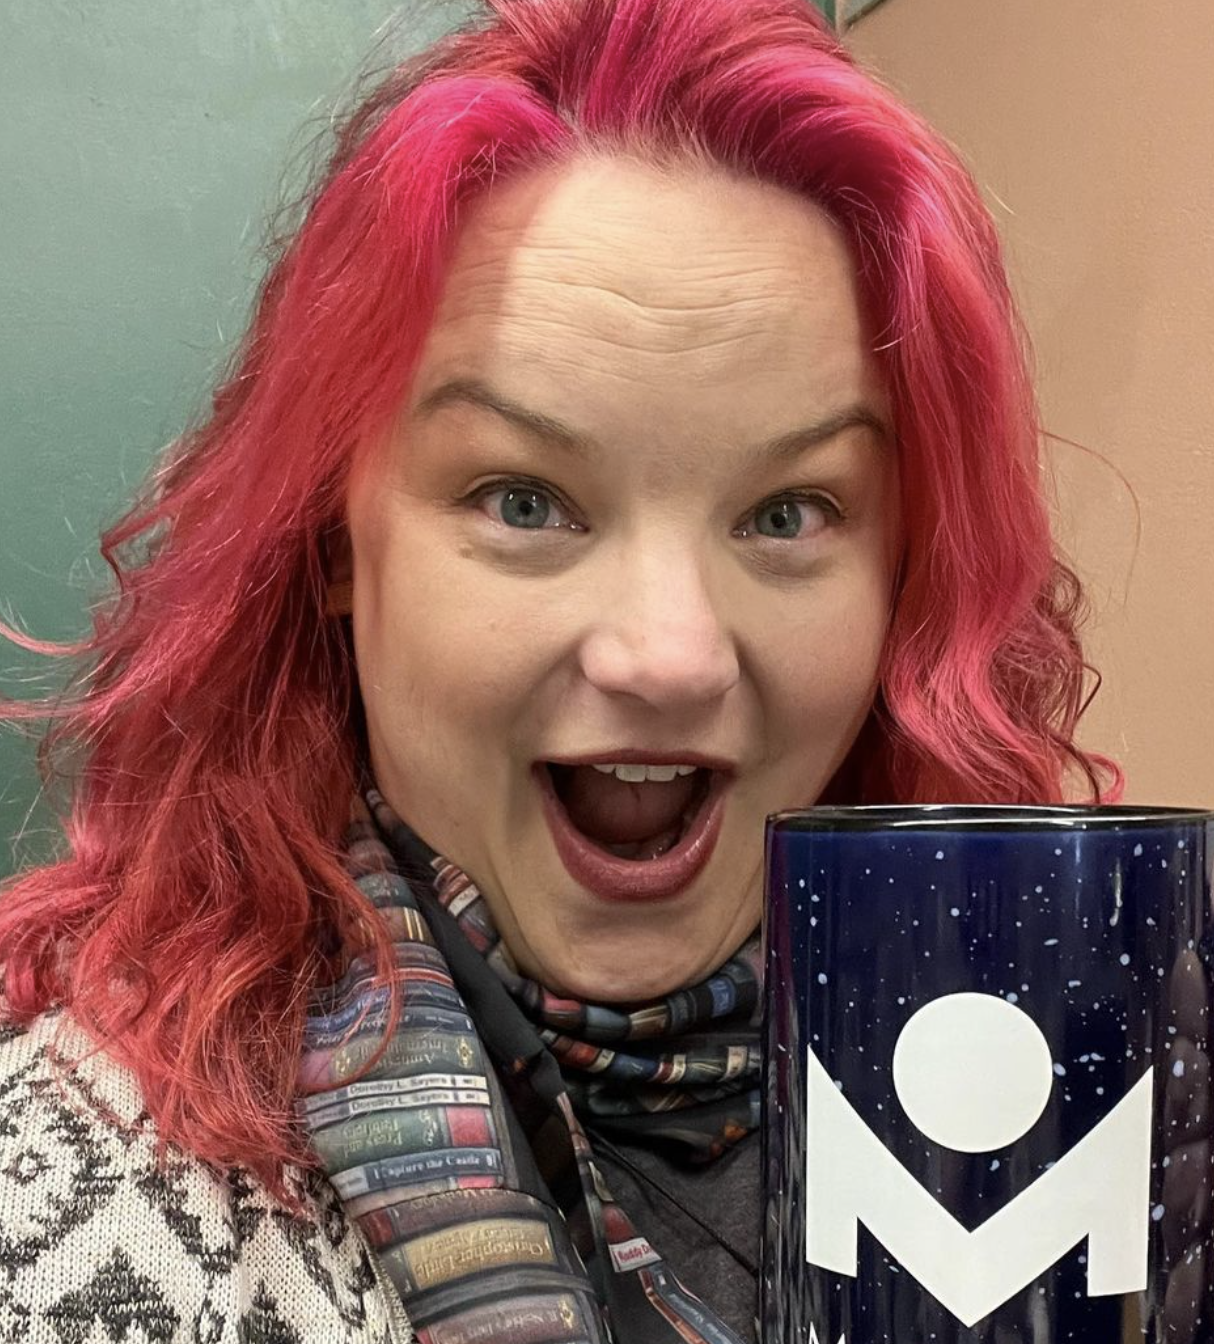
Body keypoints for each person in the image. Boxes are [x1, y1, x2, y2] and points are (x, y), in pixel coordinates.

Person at [0, 0, 1120, 1340]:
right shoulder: (67, 1219)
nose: (668, 656)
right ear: (336, 544)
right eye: (524, 501)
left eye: (787, 514)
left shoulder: (1074, 1085)